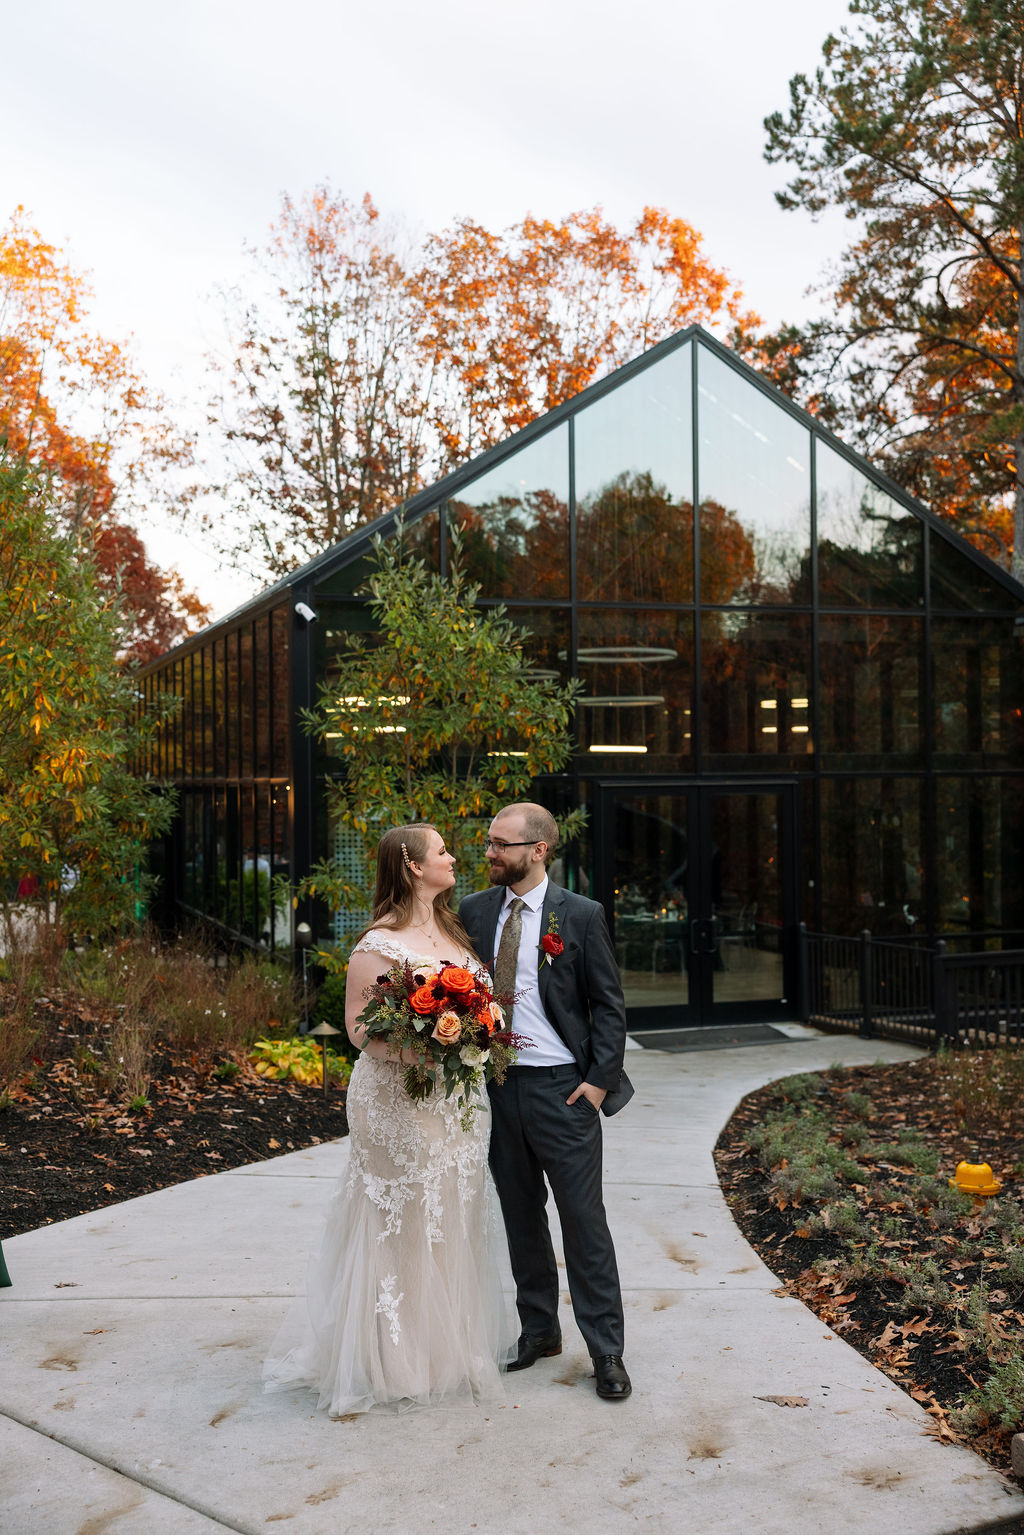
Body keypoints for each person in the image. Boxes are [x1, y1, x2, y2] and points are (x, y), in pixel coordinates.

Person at [263, 823, 516, 1415]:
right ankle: (390, 1356)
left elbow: (484, 1006)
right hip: (397, 1104)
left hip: (458, 1102)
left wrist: (479, 1034)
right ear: (411, 865)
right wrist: (432, 1049)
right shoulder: (379, 943)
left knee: (454, 1210)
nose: (454, 858)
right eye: (443, 851)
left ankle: (444, 1352)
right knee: (400, 1217)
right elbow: (358, 1029)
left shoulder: (453, 930)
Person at [459, 802, 634, 1402]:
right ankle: (540, 1331)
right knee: (520, 1215)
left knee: (584, 1222)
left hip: (564, 1090)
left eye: (501, 845)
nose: (489, 853)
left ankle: (606, 1349)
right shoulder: (474, 913)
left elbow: (609, 1005)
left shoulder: (580, 916)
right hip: (497, 1087)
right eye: (488, 843)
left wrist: (599, 1083)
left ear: (537, 851)